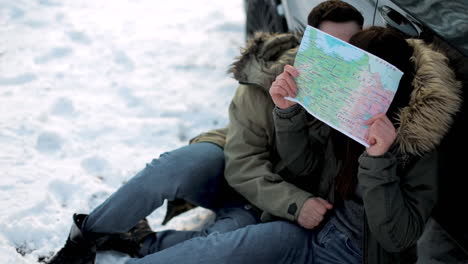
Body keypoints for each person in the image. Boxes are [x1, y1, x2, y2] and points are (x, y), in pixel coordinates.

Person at [47, 1, 365, 263]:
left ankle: (141, 242)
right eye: (330, 46)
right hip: (235, 174)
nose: (341, 58)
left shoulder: (365, 106)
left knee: (219, 246)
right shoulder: (267, 78)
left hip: (274, 210)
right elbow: (243, 164)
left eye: (353, 48)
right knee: (176, 166)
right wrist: (294, 202)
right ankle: (85, 238)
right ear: (309, 44)